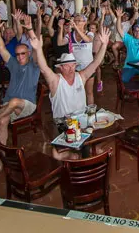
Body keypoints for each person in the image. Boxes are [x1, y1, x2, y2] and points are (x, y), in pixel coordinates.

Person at [28, 27, 110, 161]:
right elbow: (44, 68)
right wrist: (38, 50)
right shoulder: (55, 81)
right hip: (63, 124)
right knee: (56, 155)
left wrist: (104, 45)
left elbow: (95, 63)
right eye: (67, 66)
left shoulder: (81, 76)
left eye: (73, 65)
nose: (71, 69)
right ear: (60, 67)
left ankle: (86, 156)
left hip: (82, 121)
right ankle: (75, 155)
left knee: (104, 137)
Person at [0, 14, 40, 174]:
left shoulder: (35, 65)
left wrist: (30, 28)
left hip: (26, 104)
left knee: (14, 102)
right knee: (3, 120)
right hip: (9, 104)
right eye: (17, 54)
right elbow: (2, 49)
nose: (19, 57)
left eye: (23, 54)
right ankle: (2, 158)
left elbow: (37, 48)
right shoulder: (13, 63)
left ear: (28, 54)